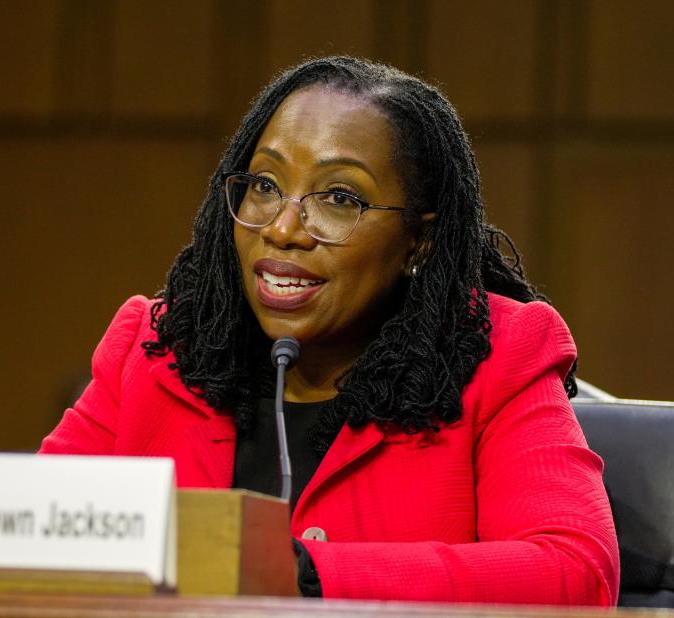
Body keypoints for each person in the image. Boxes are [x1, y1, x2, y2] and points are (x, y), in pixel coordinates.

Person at [40, 57, 619, 605]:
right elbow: (30, 536)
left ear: (419, 241)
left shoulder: (498, 357)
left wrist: (308, 576)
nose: (284, 228)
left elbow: (573, 572)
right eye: (265, 185)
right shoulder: (158, 347)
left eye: (339, 197)